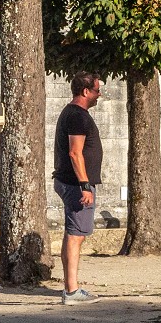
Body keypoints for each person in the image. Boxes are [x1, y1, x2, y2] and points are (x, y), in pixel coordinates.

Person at [52, 72, 104, 305]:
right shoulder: (77, 116)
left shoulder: (73, 114)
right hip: (75, 184)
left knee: (73, 234)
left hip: (72, 183)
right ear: (85, 91)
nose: (99, 94)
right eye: (96, 90)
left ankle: (71, 288)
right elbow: (75, 152)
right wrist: (84, 185)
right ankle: (71, 291)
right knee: (75, 236)